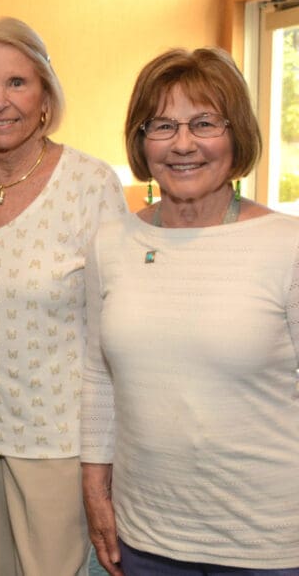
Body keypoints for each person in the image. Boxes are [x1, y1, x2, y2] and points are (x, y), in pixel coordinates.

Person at [81, 47, 299, 575]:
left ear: (236, 135)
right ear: (141, 141)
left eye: (204, 123)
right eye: (162, 126)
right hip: (149, 535)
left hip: (267, 539)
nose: (183, 145)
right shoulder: (112, 243)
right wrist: (95, 487)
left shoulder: (286, 245)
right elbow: (96, 377)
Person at [0, 17, 128, 575]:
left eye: (17, 83)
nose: (0, 102)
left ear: (45, 93)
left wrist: (104, 453)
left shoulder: (90, 186)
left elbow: (113, 330)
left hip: (57, 441)